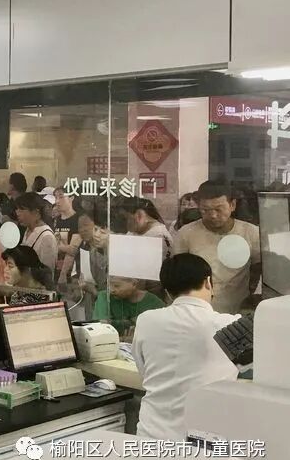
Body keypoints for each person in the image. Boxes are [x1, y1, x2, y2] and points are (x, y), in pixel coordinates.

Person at [133, 254, 241, 441]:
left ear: (167, 292)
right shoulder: (229, 325)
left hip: (151, 436)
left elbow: (144, 372)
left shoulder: (146, 320)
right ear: (208, 282)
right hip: (203, 441)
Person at [174, 182, 260, 313]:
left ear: (232, 205)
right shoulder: (186, 233)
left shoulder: (251, 233)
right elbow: (177, 273)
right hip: (198, 311)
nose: (213, 215)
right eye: (205, 210)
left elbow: (259, 270)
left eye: (218, 209)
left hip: (237, 310)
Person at [92, 276, 164, 340]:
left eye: (116, 286)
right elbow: (102, 329)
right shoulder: (105, 297)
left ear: (134, 284)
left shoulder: (154, 303)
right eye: (108, 285)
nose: (111, 290)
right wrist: (124, 338)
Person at [15, 193, 58, 271]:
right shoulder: (28, 230)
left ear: (36, 212)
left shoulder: (47, 237)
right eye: (17, 209)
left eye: (21, 210)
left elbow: (47, 272)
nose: (17, 213)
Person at [53, 188, 82, 284]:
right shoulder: (56, 220)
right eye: (56, 197)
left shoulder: (78, 219)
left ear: (71, 198)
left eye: (61, 197)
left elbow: (72, 250)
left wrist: (63, 275)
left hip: (72, 274)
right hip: (55, 269)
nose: (57, 201)